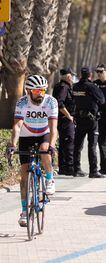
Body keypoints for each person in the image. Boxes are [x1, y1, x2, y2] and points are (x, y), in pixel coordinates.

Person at [7, 75, 58, 227]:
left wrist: (52, 145)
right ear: (29, 91)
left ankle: (49, 179)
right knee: (24, 175)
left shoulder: (51, 101)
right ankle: (24, 212)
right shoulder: (22, 102)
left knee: (44, 149)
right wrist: (12, 144)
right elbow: (17, 126)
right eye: (36, 91)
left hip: (44, 133)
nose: (40, 94)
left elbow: (54, 128)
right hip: (26, 136)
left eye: (42, 90)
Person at [72, 67, 106, 178]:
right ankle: (93, 171)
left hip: (79, 119)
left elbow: (73, 101)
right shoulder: (92, 86)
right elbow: (102, 100)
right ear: (90, 75)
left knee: (77, 145)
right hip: (91, 120)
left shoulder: (75, 86)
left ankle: (76, 169)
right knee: (92, 146)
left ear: (81, 74)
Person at [52, 67, 76, 176]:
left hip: (63, 119)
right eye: (72, 76)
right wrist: (69, 116)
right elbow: (59, 104)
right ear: (68, 76)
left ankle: (63, 167)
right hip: (65, 119)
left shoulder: (61, 86)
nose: (72, 78)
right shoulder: (63, 87)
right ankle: (69, 167)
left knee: (63, 143)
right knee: (69, 143)